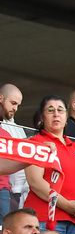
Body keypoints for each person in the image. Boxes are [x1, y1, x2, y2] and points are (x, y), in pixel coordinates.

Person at [25, 95, 75, 234]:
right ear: (42, 117)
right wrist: (68, 205)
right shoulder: (37, 142)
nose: (56, 114)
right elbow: (36, 182)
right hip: (47, 218)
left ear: (66, 117)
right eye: (50, 110)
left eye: (60, 110)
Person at [0, 84, 29, 218]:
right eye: (13, 103)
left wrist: (33, 158)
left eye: (18, 105)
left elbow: (7, 166)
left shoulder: (7, 132)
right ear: (1, 98)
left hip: (4, 190)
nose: (15, 108)